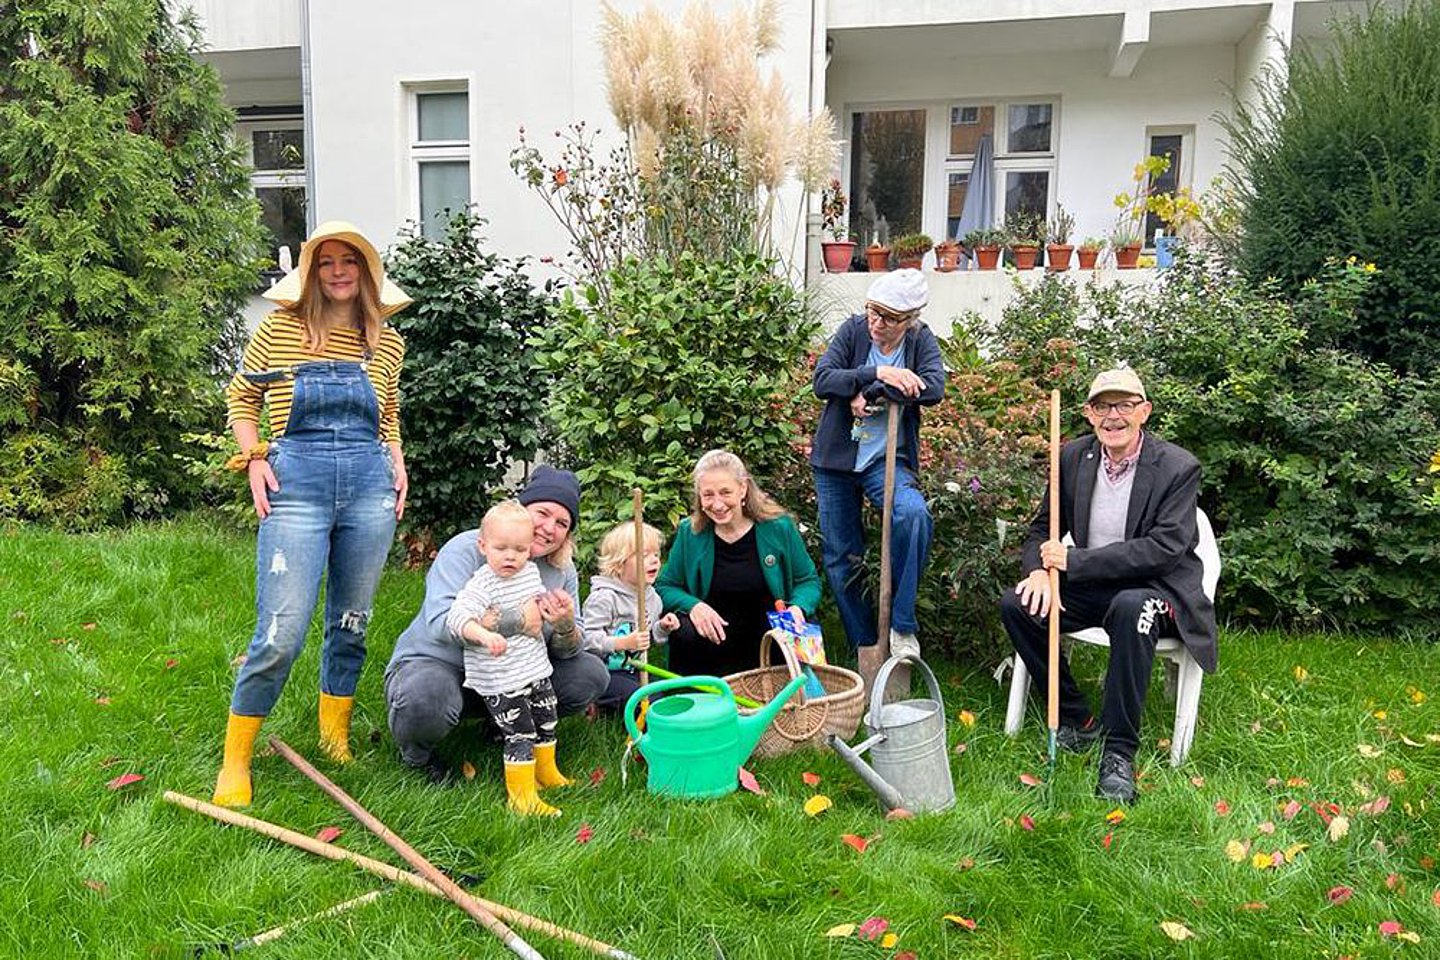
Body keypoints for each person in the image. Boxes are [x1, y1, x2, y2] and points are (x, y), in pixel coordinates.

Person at [213, 221, 411, 808]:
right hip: (295, 487)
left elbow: (390, 412)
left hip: (370, 487)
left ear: (367, 273)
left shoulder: (388, 343)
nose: (339, 271)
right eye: (326, 262)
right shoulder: (278, 331)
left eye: (350, 260)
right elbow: (242, 398)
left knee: (352, 619)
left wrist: (398, 464)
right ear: (311, 274)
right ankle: (236, 761)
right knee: (281, 631)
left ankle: (334, 738)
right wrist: (253, 458)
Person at [999, 368, 1216, 804]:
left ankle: (1118, 754)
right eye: (1102, 406)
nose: (1112, 416)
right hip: (1096, 586)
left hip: (1160, 588)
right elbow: (1042, 528)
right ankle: (1079, 722)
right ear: (1088, 413)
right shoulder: (1073, 458)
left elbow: (1163, 549)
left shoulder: (1177, 467)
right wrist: (1039, 572)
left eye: (1124, 405)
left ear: (1144, 412)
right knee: (1017, 604)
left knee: (1131, 607)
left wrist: (1074, 562)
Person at [384, 466, 609, 783]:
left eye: (562, 523)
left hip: (512, 676)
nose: (549, 528)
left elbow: (571, 650)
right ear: (521, 509)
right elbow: (440, 622)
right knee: (426, 696)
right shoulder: (467, 548)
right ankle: (417, 757)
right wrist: (518, 621)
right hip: (443, 665)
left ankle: (502, 727)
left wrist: (565, 627)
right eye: (542, 513)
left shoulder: (560, 569)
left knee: (590, 673)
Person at [810, 269, 946, 676]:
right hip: (836, 462)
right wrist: (879, 374)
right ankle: (864, 643)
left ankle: (902, 626)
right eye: (872, 311)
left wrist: (867, 393)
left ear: (909, 320)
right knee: (841, 556)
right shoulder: (852, 332)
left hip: (886, 460)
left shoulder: (920, 341)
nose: (876, 323)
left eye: (887, 317)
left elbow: (934, 388)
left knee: (912, 515)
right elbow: (823, 379)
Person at [446, 501, 571, 816]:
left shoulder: (529, 572)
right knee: (520, 733)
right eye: (501, 548)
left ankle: (546, 773)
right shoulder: (482, 582)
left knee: (547, 719)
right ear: (483, 545)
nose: (510, 556)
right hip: (500, 678)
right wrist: (484, 634)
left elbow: (536, 607)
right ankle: (521, 797)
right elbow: (457, 618)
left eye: (519, 549)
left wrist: (556, 611)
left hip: (534, 668)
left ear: (529, 550)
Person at [657, 449, 822, 677]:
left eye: (725, 492)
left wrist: (797, 608)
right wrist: (694, 606)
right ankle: (694, 702)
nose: (717, 504)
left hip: (770, 640)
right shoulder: (690, 532)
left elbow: (808, 581)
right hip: (715, 642)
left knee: (803, 624)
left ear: (743, 488)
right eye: (708, 495)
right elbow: (665, 586)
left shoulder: (778, 527)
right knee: (683, 630)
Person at [581, 522, 680, 710]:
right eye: (644, 556)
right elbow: (587, 640)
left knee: (660, 693)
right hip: (604, 673)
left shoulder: (652, 597)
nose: (654, 561)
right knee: (640, 699)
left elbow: (650, 636)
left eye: (656, 555)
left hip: (634, 668)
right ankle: (595, 703)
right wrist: (622, 643)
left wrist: (662, 627)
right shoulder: (604, 598)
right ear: (619, 564)